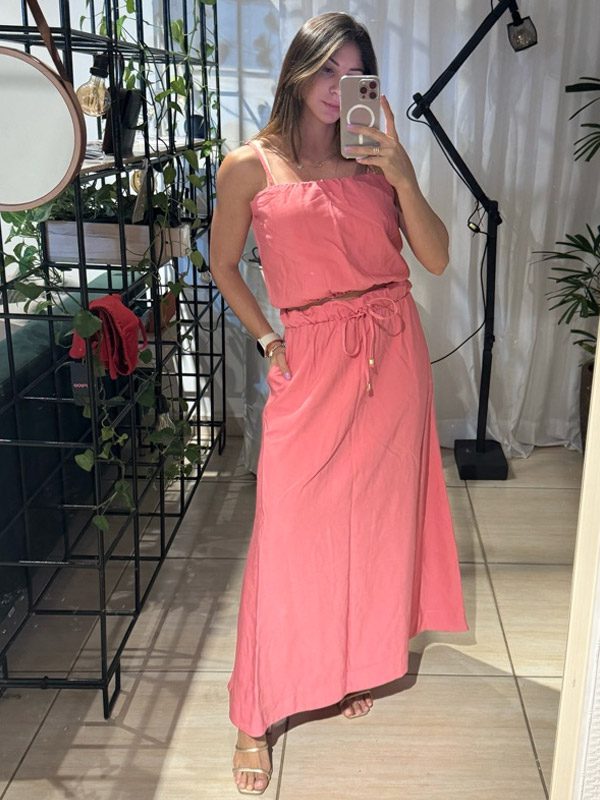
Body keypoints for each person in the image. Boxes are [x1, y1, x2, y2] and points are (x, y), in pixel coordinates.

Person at [209, 11, 469, 795]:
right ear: (298, 71)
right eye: (326, 70)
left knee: (371, 525)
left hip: (392, 354)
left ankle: (346, 662)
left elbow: (435, 258)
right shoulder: (249, 166)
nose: (337, 87)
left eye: (354, 75)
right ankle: (253, 714)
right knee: (290, 532)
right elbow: (223, 264)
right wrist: (268, 340)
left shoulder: (375, 161)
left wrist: (404, 175)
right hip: (314, 355)